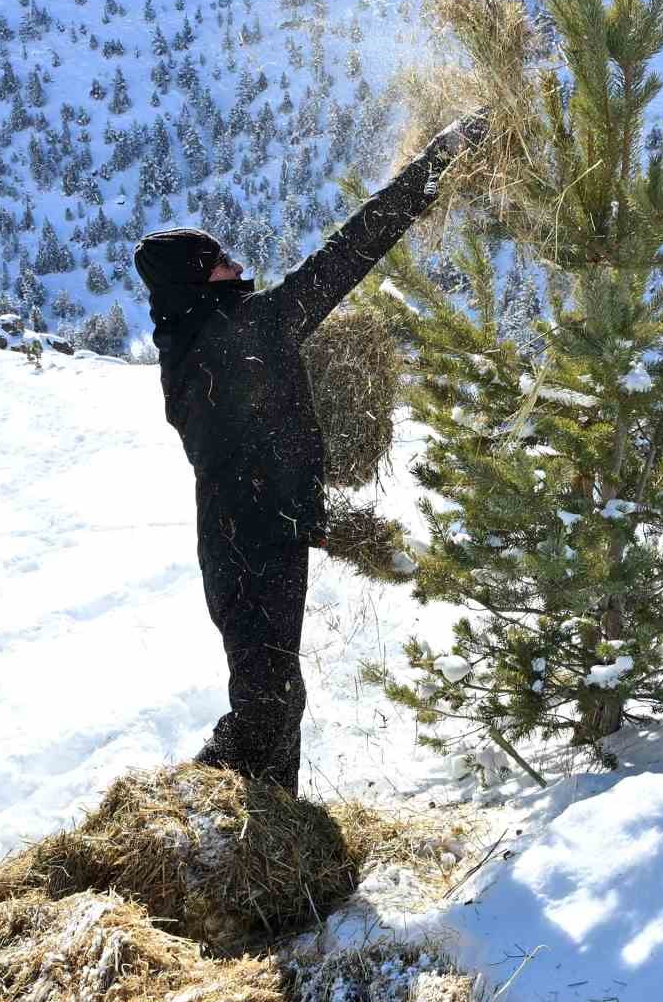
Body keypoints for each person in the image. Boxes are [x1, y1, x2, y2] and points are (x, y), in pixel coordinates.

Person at [133, 110, 487, 794]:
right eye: (221, 261)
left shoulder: (186, 345)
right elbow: (350, 251)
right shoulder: (250, 329)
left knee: (271, 694)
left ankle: (258, 820)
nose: (238, 265)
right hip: (257, 546)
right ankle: (215, 812)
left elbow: (257, 445)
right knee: (268, 702)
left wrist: (310, 512)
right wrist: (435, 163)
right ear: (197, 279)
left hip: (243, 540)